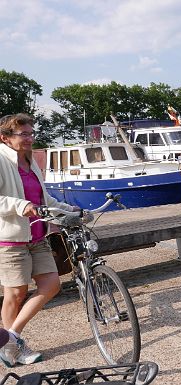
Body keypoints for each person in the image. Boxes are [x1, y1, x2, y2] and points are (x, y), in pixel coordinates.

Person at [0, 113, 80, 367]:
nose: (29, 138)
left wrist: (71, 211)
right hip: (11, 238)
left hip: (38, 234)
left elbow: (45, 200)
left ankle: (10, 339)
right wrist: (20, 205)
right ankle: (12, 348)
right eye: (23, 134)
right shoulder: (1, 161)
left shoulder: (31, 160)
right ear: (5, 138)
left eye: (31, 133)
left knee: (51, 285)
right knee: (16, 293)